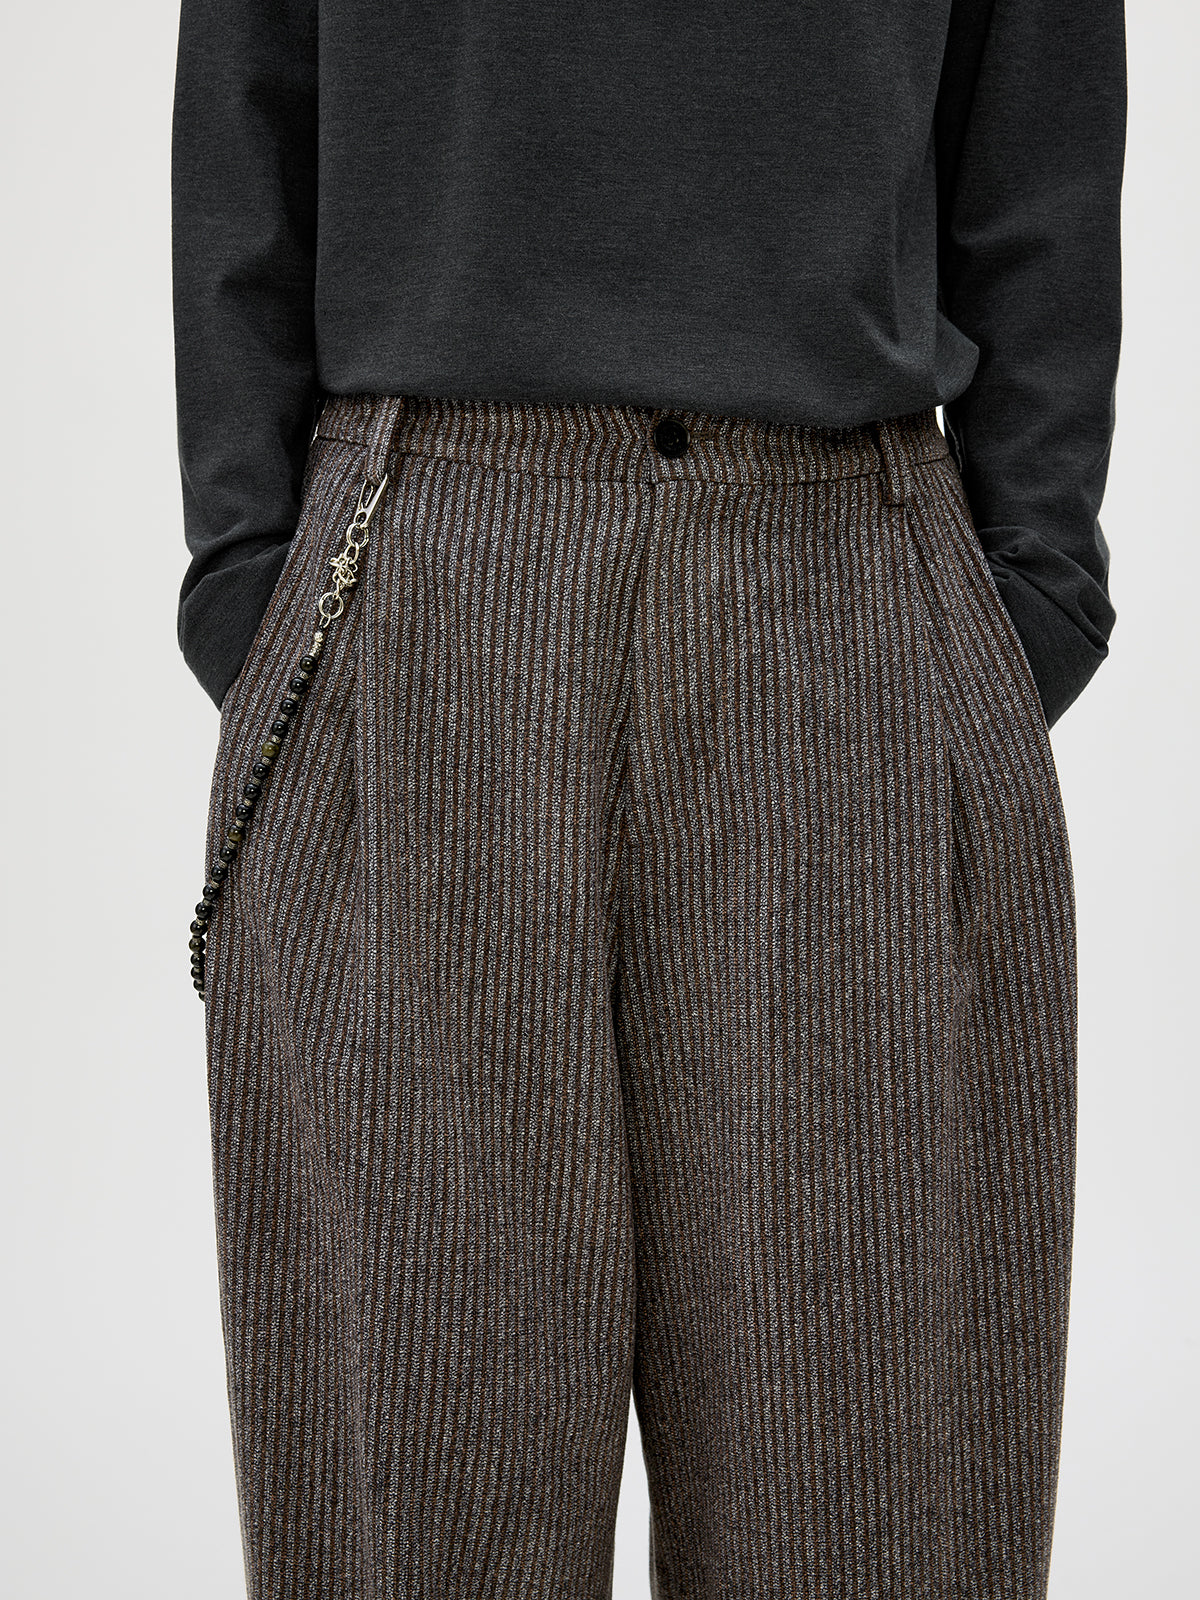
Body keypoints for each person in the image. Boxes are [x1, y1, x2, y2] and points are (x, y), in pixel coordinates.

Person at [171, 5, 1126, 1597]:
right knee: (420, 1522)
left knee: (874, 1516)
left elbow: (1040, 131)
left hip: (849, 576)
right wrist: (254, 590)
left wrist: (1025, 595)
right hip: (418, 574)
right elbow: (249, 99)